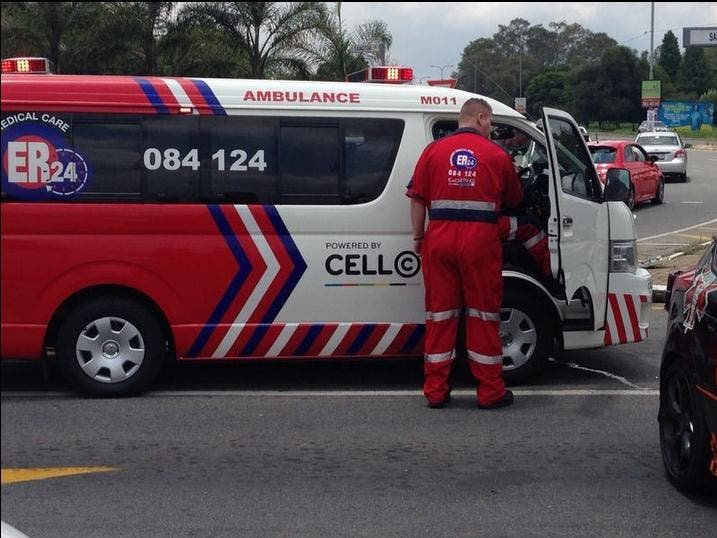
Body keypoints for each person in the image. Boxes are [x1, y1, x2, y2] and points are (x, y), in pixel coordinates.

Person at [406, 98, 523, 409]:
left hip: (439, 239)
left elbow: (417, 200)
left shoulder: (432, 152)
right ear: (481, 117)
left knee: (440, 316)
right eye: (490, 123)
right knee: (483, 315)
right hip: (480, 242)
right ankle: (489, 392)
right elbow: (514, 199)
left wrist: (418, 237)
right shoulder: (496, 155)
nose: (491, 128)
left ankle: (435, 391)